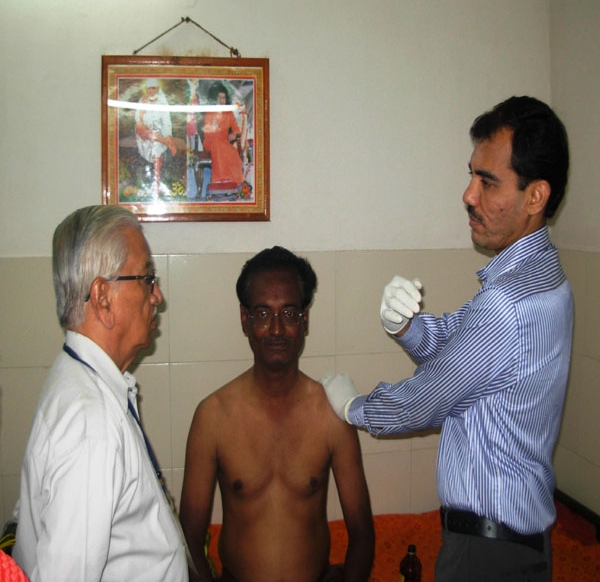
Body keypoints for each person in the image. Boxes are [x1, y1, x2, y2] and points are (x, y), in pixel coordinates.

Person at [320, 96, 572, 582]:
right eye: (471, 176)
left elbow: (422, 404)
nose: (468, 195)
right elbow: (463, 353)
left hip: (485, 555)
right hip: (517, 547)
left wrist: (353, 407)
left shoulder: (508, 303)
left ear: (535, 196)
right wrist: (406, 326)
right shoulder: (546, 280)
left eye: (488, 182)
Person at [13, 205, 189, 581]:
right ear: (103, 296)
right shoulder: (91, 423)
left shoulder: (85, 381)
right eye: (147, 279)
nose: (157, 296)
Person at [180, 246, 374, 582]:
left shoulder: (331, 413)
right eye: (262, 314)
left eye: (289, 313)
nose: (276, 330)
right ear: (245, 320)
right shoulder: (212, 417)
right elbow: (189, 540)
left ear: (304, 320)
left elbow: (362, 534)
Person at [135, 78, 177, 197]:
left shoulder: (163, 101)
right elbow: (138, 120)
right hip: (145, 135)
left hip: (158, 135)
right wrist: (143, 108)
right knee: (139, 127)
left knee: (157, 146)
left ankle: (156, 186)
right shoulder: (142, 100)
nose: (151, 91)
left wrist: (168, 136)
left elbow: (167, 122)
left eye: (154, 88)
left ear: (158, 89)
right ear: (146, 90)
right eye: (149, 89)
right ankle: (165, 142)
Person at [202, 82, 244, 196]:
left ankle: (233, 183)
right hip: (211, 142)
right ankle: (220, 181)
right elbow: (207, 133)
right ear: (215, 98)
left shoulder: (228, 113)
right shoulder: (209, 113)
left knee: (233, 151)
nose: (221, 100)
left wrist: (234, 134)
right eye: (219, 97)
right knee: (217, 144)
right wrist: (213, 127)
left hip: (223, 143)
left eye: (224, 98)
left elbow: (237, 129)